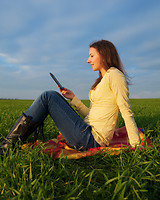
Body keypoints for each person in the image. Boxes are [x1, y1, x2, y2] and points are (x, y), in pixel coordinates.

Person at [0, 40, 141, 155]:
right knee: (50, 96)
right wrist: (73, 98)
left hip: (91, 140)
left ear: (104, 54)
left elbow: (126, 110)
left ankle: (7, 146)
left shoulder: (115, 75)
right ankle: (9, 144)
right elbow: (92, 116)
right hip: (87, 131)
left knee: (48, 96)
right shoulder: (102, 79)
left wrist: (136, 145)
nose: (88, 60)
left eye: (92, 56)